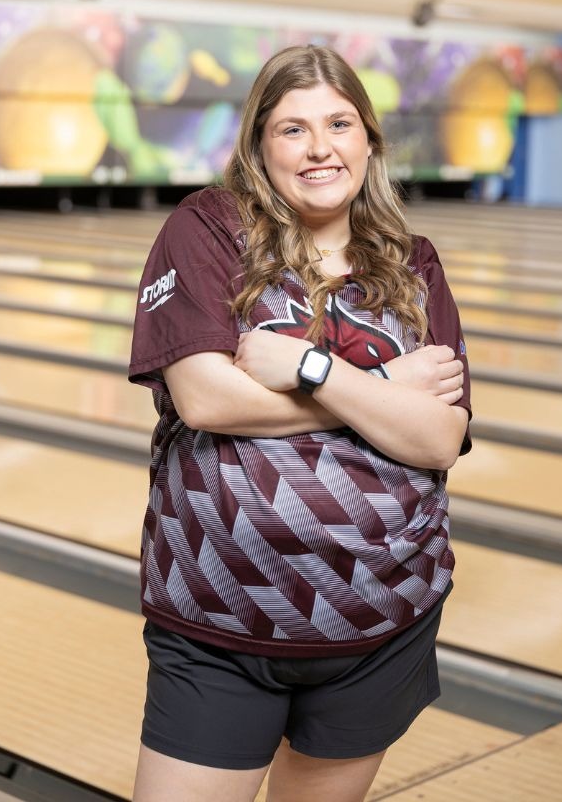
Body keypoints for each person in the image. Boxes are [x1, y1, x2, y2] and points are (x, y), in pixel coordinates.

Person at [127, 45, 473, 802]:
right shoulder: (209, 230)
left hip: (382, 621)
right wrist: (383, 386)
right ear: (258, 147)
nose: (320, 147)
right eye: (292, 129)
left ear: (369, 140)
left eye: (339, 123)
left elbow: (439, 437)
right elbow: (205, 400)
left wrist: (310, 369)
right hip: (222, 622)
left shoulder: (416, 265)